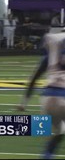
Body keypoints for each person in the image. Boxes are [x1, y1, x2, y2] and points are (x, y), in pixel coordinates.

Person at [17, 31, 65, 159]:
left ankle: (47, 156)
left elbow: (34, 79)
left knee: (59, 131)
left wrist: (24, 102)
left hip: (48, 97)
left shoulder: (51, 55)